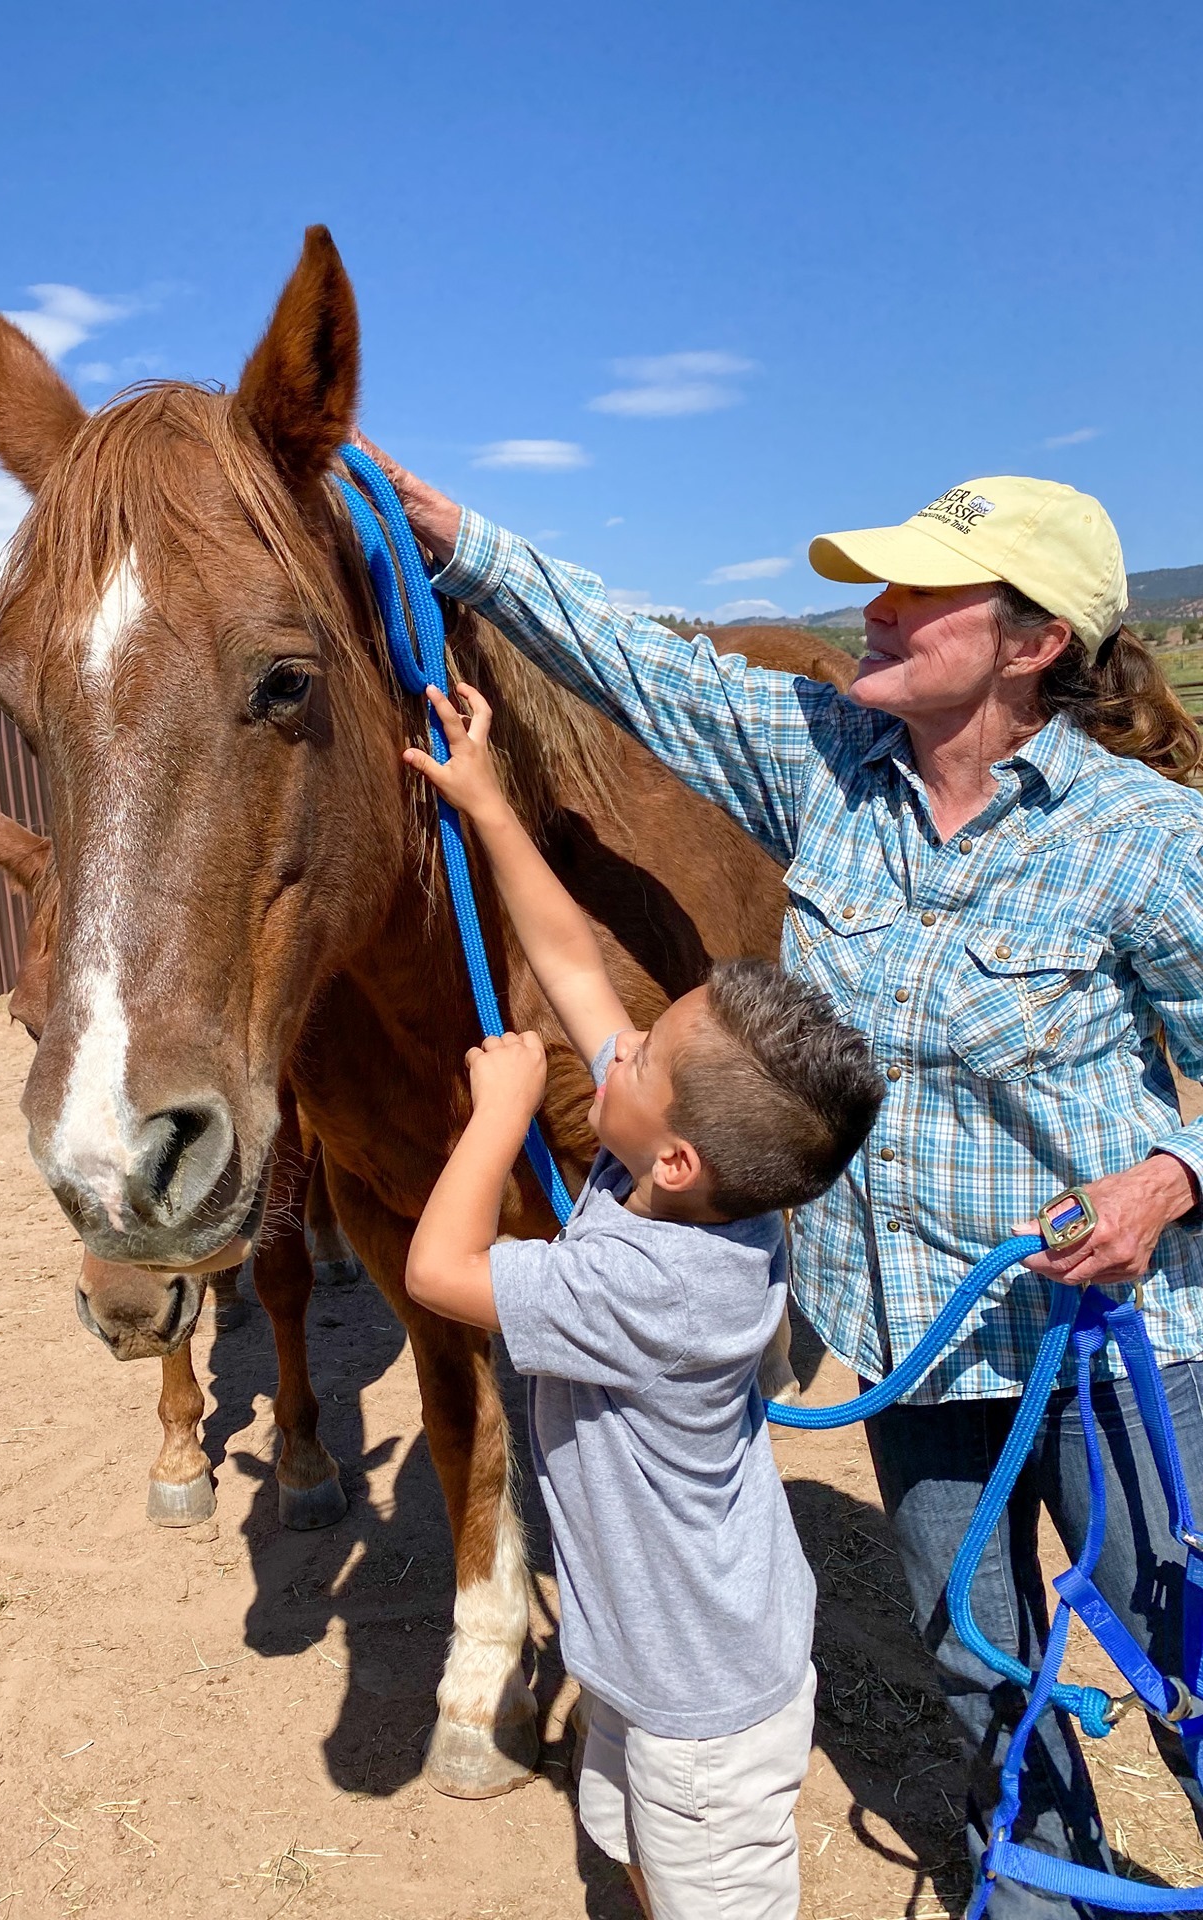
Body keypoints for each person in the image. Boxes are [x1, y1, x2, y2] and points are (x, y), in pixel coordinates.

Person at [363, 444, 1203, 1911]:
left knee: (1181, 1646)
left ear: (1035, 643)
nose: (872, 612)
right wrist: (455, 539)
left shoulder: (1141, 843)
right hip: (909, 1345)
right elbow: (628, 656)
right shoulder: (825, 762)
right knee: (969, 1660)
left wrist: (1167, 1181)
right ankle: (1040, 1886)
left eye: (916, 599)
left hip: (1101, 1346)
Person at [402, 679, 883, 1920]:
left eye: (646, 1054)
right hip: (650, 1656)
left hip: (703, 1707)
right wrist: (487, 803)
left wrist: (501, 1111)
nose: (617, 1046)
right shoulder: (701, 1185)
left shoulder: (641, 1281)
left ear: (672, 1154)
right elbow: (567, 960)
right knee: (634, 1856)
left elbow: (437, 1273)